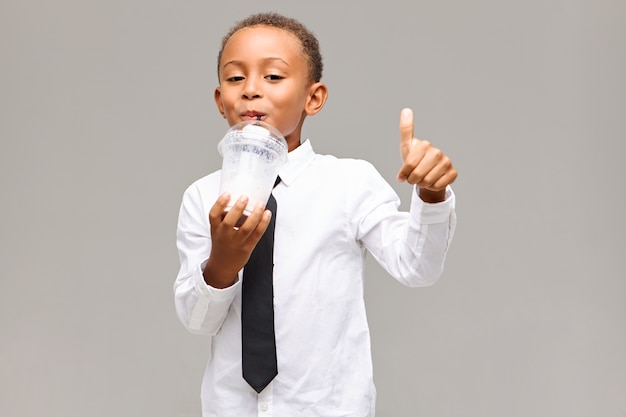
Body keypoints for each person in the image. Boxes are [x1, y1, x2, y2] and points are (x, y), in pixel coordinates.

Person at [174, 12, 457, 417]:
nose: (251, 90)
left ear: (314, 97)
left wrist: (430, 194)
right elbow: (197, 320)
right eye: (236, 78)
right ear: (221, 101)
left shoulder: (349, 183)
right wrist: (222, 264)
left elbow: (416, 266)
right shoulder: (202, 197)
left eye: (273, 77)